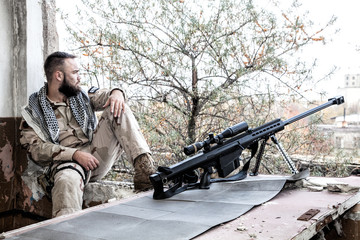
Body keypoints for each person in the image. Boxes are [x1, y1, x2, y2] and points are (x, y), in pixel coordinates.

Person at [20, 51, 156, 217]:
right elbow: (36, 150)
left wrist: (117, 92)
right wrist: (75, 154)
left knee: (118, 108)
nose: (79, 78)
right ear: (58, 75)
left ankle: (145, 171)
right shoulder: (34, 111)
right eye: (75, 73)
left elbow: (107, 95)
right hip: (67, 165)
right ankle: (68, 231)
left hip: (95, 157)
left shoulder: (80, 95)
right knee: (66, 181)